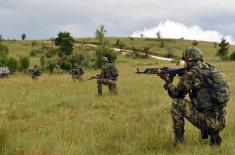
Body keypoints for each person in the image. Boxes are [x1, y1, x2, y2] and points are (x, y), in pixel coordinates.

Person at [157, 47, 229, 146]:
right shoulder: (210, 69)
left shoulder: (191, 73)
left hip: (209, 123)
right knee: (209, 104)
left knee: (177, 103)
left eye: (185, 60)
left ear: (190, 60)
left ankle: (179, 143)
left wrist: (168, 81)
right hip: (222, 121)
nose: (184, 63)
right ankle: (215, 138)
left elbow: (176, 94)